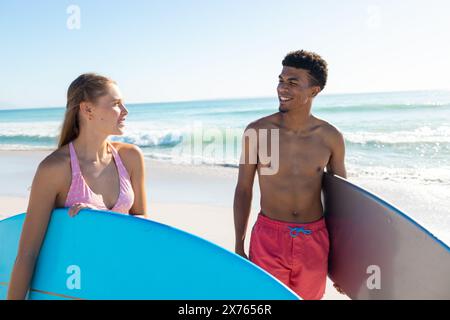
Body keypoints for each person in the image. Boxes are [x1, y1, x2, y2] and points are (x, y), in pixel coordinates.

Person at [7, 73, 148, 299]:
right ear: (88, 109)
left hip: (118, 279)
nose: (125, 111)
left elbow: (143, 226)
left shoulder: (131, 157)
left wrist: (99, 221)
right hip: (75, 284)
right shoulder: (55, 169)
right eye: (115, 104)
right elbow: (27, 254)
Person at [233, 50, 346, 300]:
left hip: (314, 240)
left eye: (293, 82)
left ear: (314, 91)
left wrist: (345, 264)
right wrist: (239, 246)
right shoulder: (258, 131)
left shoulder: (330, 137)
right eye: (281, 80)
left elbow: (342, 201)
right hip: (269, 238)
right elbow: (243, 189)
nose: (282, 88)